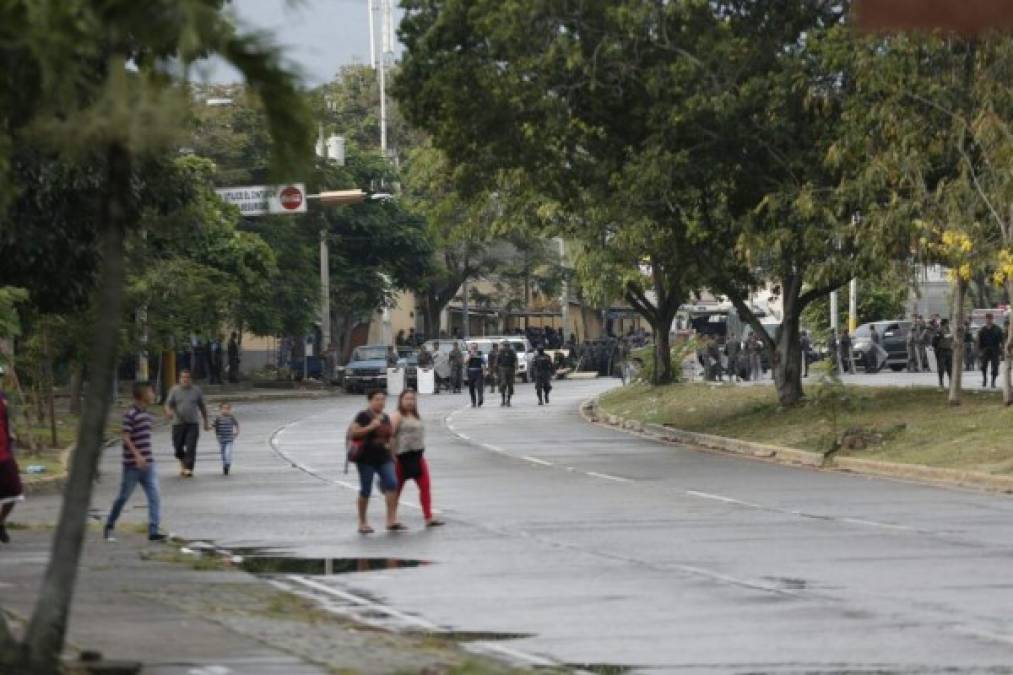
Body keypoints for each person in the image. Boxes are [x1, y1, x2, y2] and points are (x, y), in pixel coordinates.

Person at [104, 382, 167, 542]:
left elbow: (149, 431)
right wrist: (137, 455)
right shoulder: (130, 414)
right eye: (151, 392)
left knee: (155, 496)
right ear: (143, 395)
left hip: (148, 464)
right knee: (123, 497)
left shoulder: (147, 414)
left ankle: (153, 530)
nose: (153, 394)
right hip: (132, 466)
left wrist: (167, 416)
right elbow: (125, 436)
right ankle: (109, 525)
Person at [349, 390, 403, 534]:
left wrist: (393, 456)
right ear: (370, 401)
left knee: (392, 483)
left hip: (384, 457)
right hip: (366, 458)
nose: (380, 402)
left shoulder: (385, 417)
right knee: (366, 489)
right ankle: (362, 522)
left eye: (383, 399)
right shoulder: (363, 416)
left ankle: (391, 520)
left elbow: (390, 437)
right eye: (377, 399)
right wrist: (370, 427)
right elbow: (353, 433)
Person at [390, 390, 444, 528]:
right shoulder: (397, 416)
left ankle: (428, 517)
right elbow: (390, 437)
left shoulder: (415, 415)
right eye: (406, 399)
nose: (409, 402)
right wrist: (391, 456)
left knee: (425, 486)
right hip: (401, 457)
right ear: (401, 401)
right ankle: (392, 519)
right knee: (396, 490)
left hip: (417, 456)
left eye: (412, 399)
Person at [165, 369, 210, 477]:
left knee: (191, 447)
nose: (185, 379)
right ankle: (183, 461)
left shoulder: (196, 391)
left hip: (192, 424)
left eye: (187, 377)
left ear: (191, 379)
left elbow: (202, 407)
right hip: (178, 424)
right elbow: (168, 404)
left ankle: (188, 468)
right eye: (183, 377)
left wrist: (205, 422)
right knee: (178, 448)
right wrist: (169, 412)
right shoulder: (174, 390)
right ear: (179, 379)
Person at [0, 379, 23, 544]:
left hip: (4, 453)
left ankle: (0, 523)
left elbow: (7, 423)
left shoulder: (2, 397)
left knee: (15, 490)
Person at [213, 402, 240, 476]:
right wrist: (208, 427)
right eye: (223, 409)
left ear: (230, 410)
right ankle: (225, 466)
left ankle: (228, 463)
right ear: (220, 410)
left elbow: (236, 424)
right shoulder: (218, 417)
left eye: (227, 409)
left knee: (228, 452)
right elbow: (214, 425)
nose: (225, 410)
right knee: (223, 453)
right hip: (221, 439)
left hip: (229, 439)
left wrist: (237, 431)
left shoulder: (231, 417)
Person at [978, 312, 1003, 388]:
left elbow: (1001, 341)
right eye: (987, 318)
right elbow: (979, 342)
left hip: (995, 349)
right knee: (983, 366)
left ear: (992, 319)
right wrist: (980, 351)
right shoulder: (982, 330)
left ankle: (993, 381)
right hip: (985, 349)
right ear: (985, 319)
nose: (989, 320)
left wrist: (1001, 352)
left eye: (990, 318)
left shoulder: (997, 329)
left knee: (995, 367)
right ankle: (985, 379)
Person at [932, 318, 954, 389]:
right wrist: (952, 335)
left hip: (949, 350)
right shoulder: (940, 330)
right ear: (945, 323)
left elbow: (951, 339)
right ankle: (941, 382)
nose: (948, 324)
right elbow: (943, 336)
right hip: (942, 351)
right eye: (948, 323)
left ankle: (951, 382)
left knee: (950, 368)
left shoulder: (948, 330)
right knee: (941, 368)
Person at [497, 340, 517, 406]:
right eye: (505, 345)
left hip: (511, 369)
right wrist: (496, 371)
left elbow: (515, 360)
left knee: (510, 385)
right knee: (503, 383)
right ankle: (503, 400)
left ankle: (508, 400)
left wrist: (516, 368)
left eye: (507, 345)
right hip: (502, 369)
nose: (506, 347)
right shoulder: (500, 352)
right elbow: (497, 361)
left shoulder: (512, 352)